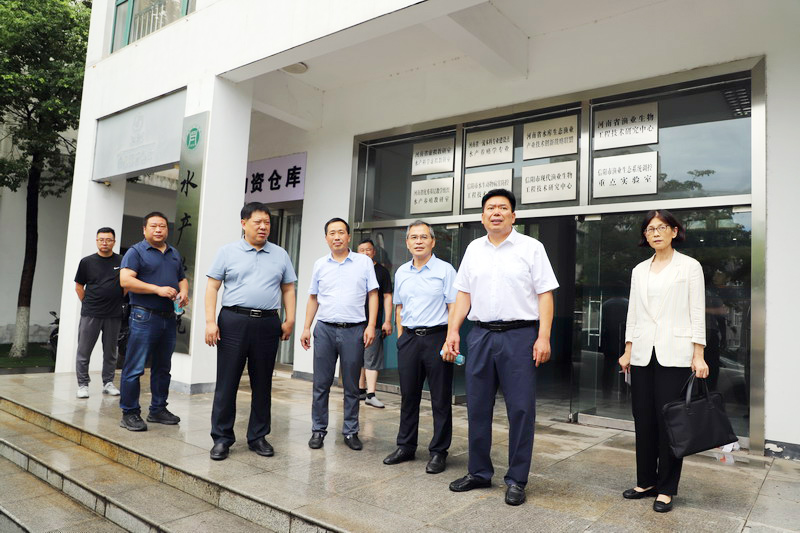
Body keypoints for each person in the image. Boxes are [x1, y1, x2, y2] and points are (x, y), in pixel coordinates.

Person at [443, 189, 558, 506]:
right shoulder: (473, 249)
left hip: (519, 336)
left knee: (520, 409)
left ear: (513, 216)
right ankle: (479, 472)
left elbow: (545, 294)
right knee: (477, 406)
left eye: (503, 208)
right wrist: (453, 330)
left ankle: (517, 479)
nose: (496, 212)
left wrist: (544, 336)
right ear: (482, 217)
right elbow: (463, 294)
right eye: (490, 208)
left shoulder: (531, 248)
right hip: (480, 335)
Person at [618, 209, 708, 513]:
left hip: (676, 352)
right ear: (645, 236)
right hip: (643, 353)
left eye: (661, 227)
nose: (655, 233)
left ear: (674, 231)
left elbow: (697, 312)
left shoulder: (690, 267)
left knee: (670, 422)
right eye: (650, 229)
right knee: (643, 419)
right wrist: (628, 349)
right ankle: (646, 481)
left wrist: (698, 354)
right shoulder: (639, 270)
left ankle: (667, 488)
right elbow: (633, 313)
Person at [204, 202, 297, 461]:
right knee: (227, 382)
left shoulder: (280, 254)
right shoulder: (227, 252)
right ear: (244, 223)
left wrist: (290, 319)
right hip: (233, 321)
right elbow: (212, 287)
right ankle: (221, 438)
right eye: (258, 222)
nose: (263, 227)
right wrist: (210, 322)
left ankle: (258, 436)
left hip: (267, 323)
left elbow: (288, 288)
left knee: (263, 383)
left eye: (267, 222)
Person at [383, 220, 456, 474]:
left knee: (440, 398)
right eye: (413, 237)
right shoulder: (402, 272)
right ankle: (406, 446)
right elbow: (399, 307)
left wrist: (450, 339)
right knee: (408, 396)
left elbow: (453, 307)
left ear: (433, 241)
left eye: (424, 237)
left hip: (437, 337)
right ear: (407, 243)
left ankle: (439, 452)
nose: (418, 241)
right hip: (410, 340)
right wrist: (401, 337)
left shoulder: (446, 270)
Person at [300, 218, 379, 451]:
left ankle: (351, 431)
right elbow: (313, 297)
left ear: (348, 236)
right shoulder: (320, 264)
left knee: (352, 385)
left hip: (354, 330)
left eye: (341, 232)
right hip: (325, 329)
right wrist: (306, 327)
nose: (337, 237)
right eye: (332, 233)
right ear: (326, 238)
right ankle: (318, 430)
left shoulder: (364, 262)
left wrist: (371, 325)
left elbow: (373, 295)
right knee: (321, 383)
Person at [118, 212, 188, 432]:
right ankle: (129, 413)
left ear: (167, 229)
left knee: (163, 367)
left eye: (163, 226)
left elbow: (182, 278)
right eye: (154, 226)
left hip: (168, 317)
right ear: (144, 229)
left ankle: (158, 409)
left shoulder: (173, 253)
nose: (158, 230)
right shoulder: (136, 251)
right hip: (143, 316)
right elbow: (125, 280)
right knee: (135, 367)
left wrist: (184, 292)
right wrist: (157, 289)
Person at [74, 227, 125, 398]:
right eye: (101, 239)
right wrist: (89, 303)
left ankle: (108, 383)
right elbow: (79, 287)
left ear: (114, 242)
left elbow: (126, 286)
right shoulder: (87, 262)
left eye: (108, 240)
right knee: (84, 351)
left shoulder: (122, 261)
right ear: (96, 241)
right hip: (91, 313)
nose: (105, 243)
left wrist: (117, 299)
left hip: (113, 314)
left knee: (111, 352)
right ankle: (83, 385)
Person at [356, 238, 393, 408]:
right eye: (361, 250)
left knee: (371, 358)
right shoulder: (354, 269)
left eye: (368, 250)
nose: (365, 253)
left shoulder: (382, 272)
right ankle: (360, 390)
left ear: (374, 252)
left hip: (374, 323)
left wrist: (387, 320)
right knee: (357, 358)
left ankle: (371, 394)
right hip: (354, 322)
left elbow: (387, 296)